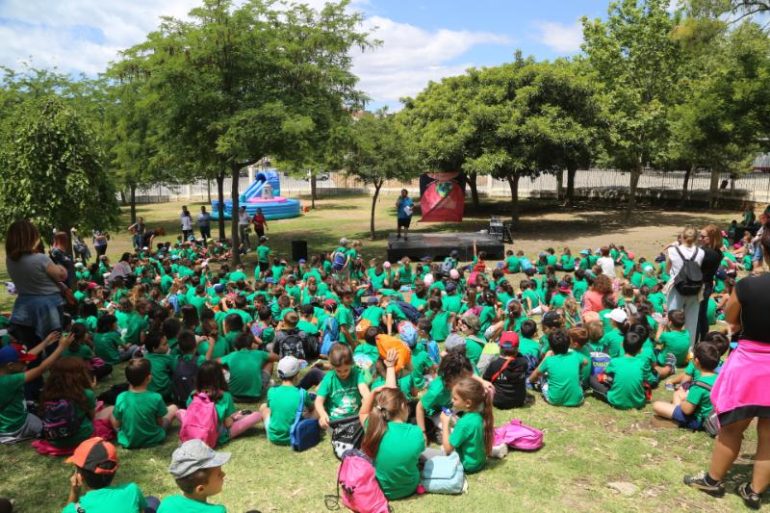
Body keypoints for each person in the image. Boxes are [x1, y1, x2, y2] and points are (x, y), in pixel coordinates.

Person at [684, 223, 770, 509]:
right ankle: (755, 490)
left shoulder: (748, 285)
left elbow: (731, 318)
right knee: (769, 436)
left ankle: (713, 479)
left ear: (765, 251)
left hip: (750, 363)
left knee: (732, 428)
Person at [5, 220, 67, 399]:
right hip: (47, 309)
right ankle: (60, 388)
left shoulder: (10, 260)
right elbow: (61, 274)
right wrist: (61, 267)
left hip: (23, 310)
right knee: (55, 349)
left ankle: (32, 392)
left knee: (29, 354)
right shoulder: (41, 259)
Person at [360, 352, 425, 500]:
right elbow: (392, 397)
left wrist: (373, 393)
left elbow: (363, 412)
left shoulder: (374, 426)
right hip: (409, 488)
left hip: (381, 490)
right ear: (404, 406)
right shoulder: (416, 433)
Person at [0, 333, 70, 444]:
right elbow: (41, 368)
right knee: (49, 427)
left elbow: (27, 356)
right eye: (22, 362)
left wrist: (45, 342)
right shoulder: (10, 381)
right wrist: (61, 347)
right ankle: (16, 436)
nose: (26, 364)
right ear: (10, 365)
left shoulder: (4, 371)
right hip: (16, 427)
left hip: (6, 422)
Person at [62, 437, 157, 513]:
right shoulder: (131, 490)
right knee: (152, 501)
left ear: (79, 476)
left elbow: (70, 509)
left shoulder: (77, 509)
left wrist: (74, 492)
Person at [111, 358, 179, 449]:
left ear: (128, 380)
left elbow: (117, 424)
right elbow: (160, 422)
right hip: (154, 438)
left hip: (128, 440)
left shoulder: (121, 397)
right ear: (149, 378)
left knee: (112, 412)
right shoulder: (156, 397)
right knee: (174, 407)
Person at [652, 342, 718, 431]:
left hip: (699, 420)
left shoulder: (699, 385)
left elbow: (687, 410)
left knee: (657, 406)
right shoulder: (718, 378)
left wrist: (684, 402)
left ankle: (677, 421)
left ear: (696, 361)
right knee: (678, 394)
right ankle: (676, 415)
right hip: (713, 414)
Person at [158, 439, 230, 513]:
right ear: (200, 489)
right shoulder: (217, 511)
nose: (224, 474)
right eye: (219, 474)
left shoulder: (167, 503)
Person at [439, 377, 493, 474]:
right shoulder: (479, 415)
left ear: (468, 403)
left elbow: (448, 449)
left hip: (467, 465)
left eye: (455, 399)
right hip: (479, 462)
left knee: (435, 453)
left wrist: (445, 422)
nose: (452, 401)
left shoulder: (463, 423)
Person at [260, 356, 315, 446]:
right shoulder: (302, 393)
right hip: (296, 436)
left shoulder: (271, 391)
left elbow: (270, 409)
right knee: (316, 409)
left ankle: (272, 430)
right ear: (297, 375)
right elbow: (312, 409)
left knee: (263, 407)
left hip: (273, 437)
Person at [315, 344, 370, 429]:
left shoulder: (357, 374)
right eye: (338, 371)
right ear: (332, 366)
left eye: (346, 370)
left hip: (355, 418)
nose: (343, 373)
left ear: (351, 364)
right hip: (336, 421)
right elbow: (318, 401)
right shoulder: (329, 379)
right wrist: (323, 415)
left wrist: (368, 405)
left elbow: (365, 392)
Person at [665, 227, 704, 348]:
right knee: (692, 320)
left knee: (672, 316)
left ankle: (670, 345)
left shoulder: (672, 250)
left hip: (677, 287)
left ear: (682, 237)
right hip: (694, 288)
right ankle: (690, 349)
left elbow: (667, 270)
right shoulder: (701, 252)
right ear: (696, 238)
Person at [696, 224, 723, 342]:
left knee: (697, 315)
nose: (700, 238)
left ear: (711, 238)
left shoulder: (707, 253)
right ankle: (703, 338)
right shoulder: (717, 252)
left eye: (703, 236)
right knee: (701, 315)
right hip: (706, 285)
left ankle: (699, 340)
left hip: (701, 286)